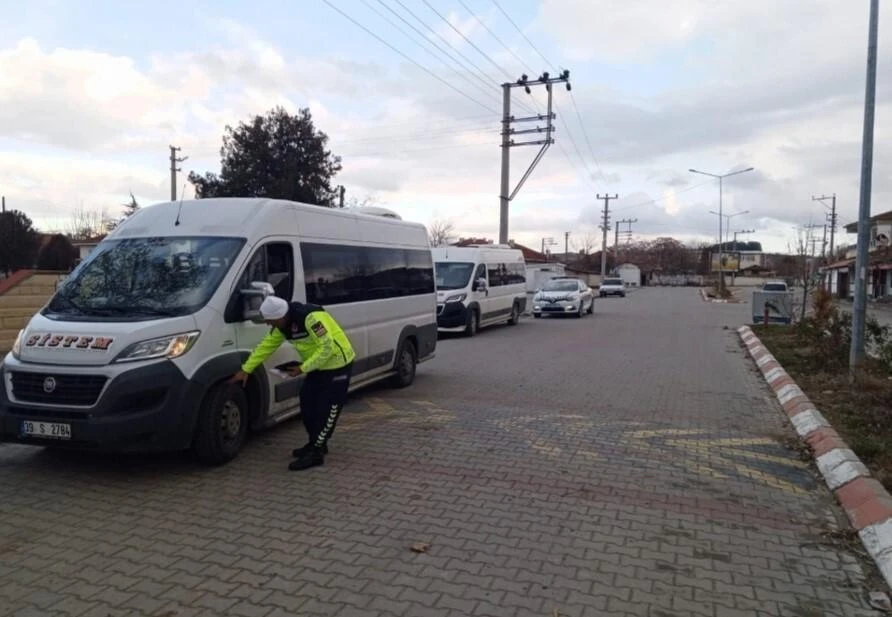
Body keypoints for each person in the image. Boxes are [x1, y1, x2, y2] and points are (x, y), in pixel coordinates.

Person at [229, 295, 356, 471]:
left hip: (337, 365)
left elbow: (328, 348)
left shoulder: (311, 319)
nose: (268, 324)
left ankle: (316, 451)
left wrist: (303, 368)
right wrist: (246, 370)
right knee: (307, 405)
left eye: (270, 321)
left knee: (328, 410)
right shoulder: (283, 326)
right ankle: (315, 443)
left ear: (281, 316)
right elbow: (265, 347)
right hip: (316, 367)